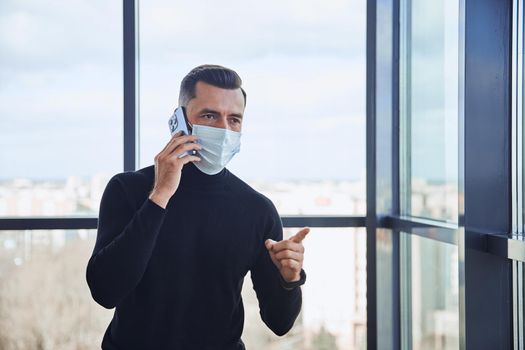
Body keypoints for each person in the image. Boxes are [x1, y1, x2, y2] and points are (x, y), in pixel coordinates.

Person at [86, 64, 309, 349]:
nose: (224, 130)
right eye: (209, 115)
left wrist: (290, 280)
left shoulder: (257, 209)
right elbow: (105, 291)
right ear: (180, 120)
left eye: (234, 120)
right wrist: (160, 195)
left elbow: (280, 323)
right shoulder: (127, 189)